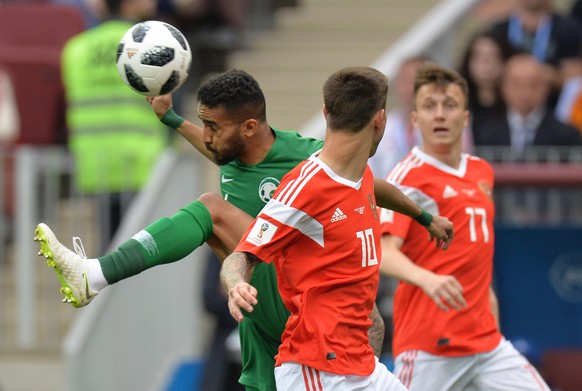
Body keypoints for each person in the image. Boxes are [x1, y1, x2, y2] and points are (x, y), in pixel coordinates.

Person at [35, 69, 453, 391]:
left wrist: (422, 217)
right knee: (212, 210)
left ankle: (96, 273)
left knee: (212, 210)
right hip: (264, 311)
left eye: (214, 127)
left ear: (250, 128)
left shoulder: (309, 161)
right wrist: (172, 119)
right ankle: (96, 274)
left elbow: (367, 181)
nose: (208, 137)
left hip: (305, 313)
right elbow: (220, 157)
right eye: (206, 126)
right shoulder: (233, 157)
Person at [220, 66, 408, 390]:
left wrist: (425, 218)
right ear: (380, 120)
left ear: (325, 112)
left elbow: (384, 192)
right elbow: (242, 254)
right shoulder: (305, 188)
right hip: (314, 369)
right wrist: (236, 284)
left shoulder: (360, 177)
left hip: (361, 368)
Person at [379, 63, 551, 390]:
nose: (440, 115)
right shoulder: (407, 177)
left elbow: (476, 261)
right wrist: (427, 279)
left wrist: (493, 325)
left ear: (466, 117)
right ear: (415, 120)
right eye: (429, 106)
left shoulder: (481, 171)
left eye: (450, 105)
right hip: (430, 347)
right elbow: (384, 252)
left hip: (487, 344)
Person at [61, 0, 168, 252]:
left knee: (111, 253)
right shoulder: (149, 46)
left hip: (94, 164)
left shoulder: (76, 49)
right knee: (142, 255)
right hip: (142, 162)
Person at [472, 53, 582, 158]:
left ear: (545, 88)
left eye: (533, 85)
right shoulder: (484, 132)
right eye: (516, 84)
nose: (525, 92)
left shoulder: (567, 134)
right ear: (503, 87)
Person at [487, 0, 582, 107]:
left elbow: (575, 82)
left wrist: (549, 76)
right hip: (504, 112)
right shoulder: (499, 30)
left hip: (554, 110)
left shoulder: (569, 28)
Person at [457, 30, 514, 144]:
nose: (487, 64)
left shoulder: (515, 105)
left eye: (494, 57)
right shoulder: (457, 104)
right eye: (479, 57)